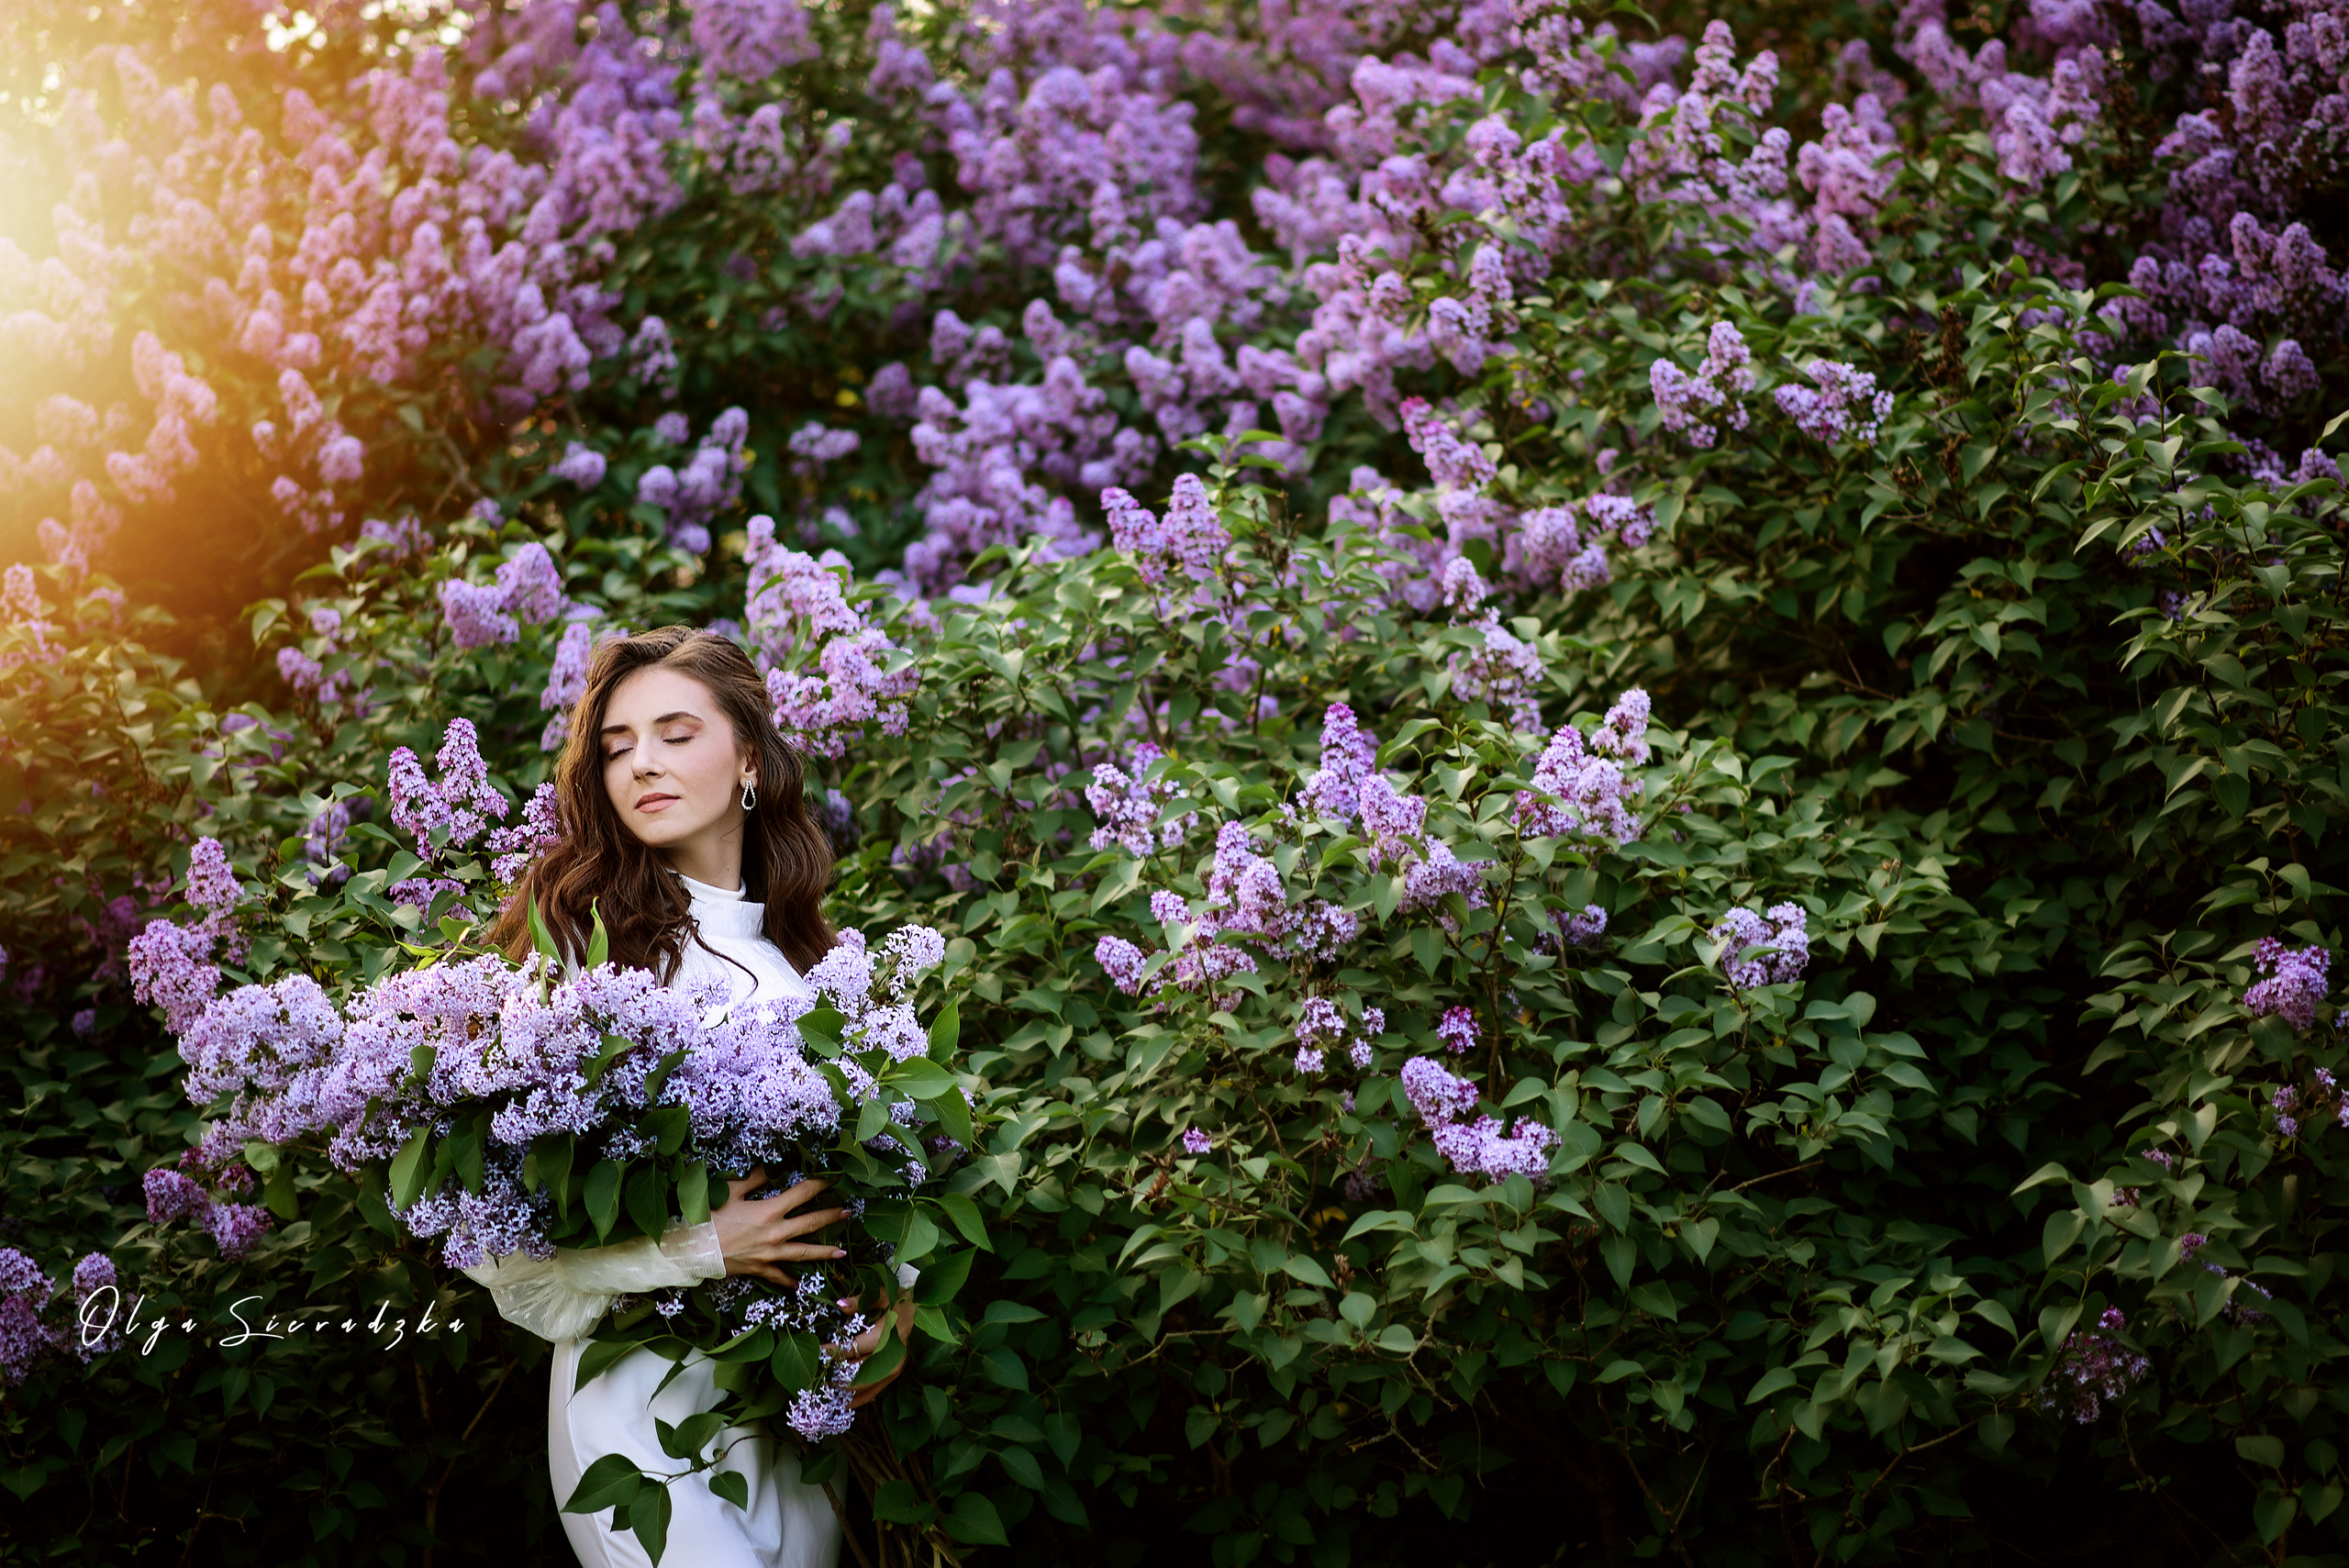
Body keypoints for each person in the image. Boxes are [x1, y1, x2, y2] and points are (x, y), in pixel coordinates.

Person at [463, 626, 910, 1568]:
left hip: (785, 1419)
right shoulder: (586, 958)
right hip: (635, 1412)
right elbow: (511, 1266)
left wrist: (895, 1310)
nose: (641, 764)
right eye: (617, 744)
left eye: (674, 732)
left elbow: (880, 1193)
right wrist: (707, 1247)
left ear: (749, 756)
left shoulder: (809, 966)